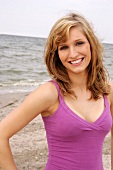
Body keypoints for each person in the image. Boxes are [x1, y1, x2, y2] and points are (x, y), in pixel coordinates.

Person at [0, 12, 113, 170]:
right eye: (64, 47)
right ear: (57, 54)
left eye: (79, 43)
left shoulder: (108, 91)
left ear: (91, 44)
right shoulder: (50, 93)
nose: (73, 53)